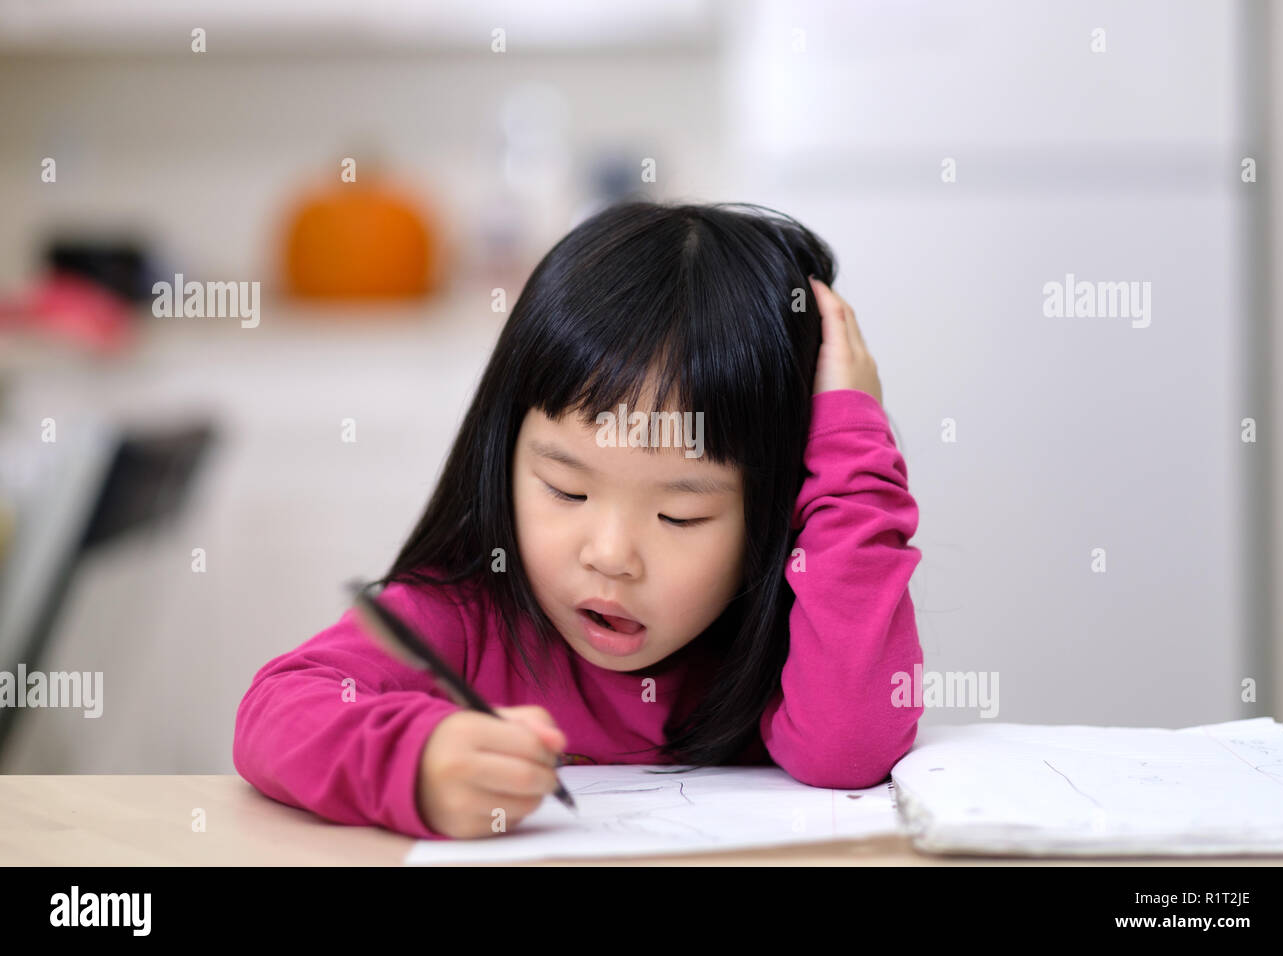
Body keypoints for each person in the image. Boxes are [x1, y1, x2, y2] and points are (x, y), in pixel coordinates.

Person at [233, 200, 923, 839]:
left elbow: (848, 749)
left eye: (680, 514)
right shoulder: (465, 617)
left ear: (772, 512)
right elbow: (277, 714)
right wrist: (415, 761)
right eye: (566, 490)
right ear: (503, 451)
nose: (611, 554)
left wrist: (851, 452)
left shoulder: (789, 643)